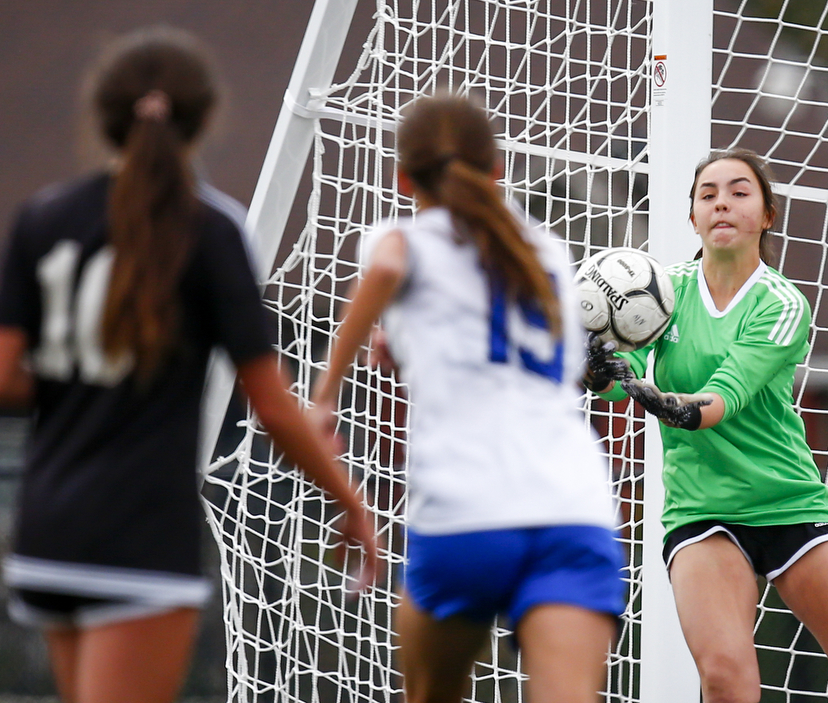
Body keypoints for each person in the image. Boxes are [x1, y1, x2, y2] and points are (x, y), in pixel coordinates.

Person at [0, 28, 377, 703]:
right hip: (142, 535)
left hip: (47, 532)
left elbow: (6, 378)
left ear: (103, 116)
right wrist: (349, 498)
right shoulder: (211, 231)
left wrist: (81, 376)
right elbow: (271, 404)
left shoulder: (41, 220)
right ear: (205, 118)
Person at [308, 93, 624, 703]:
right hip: (572, 507)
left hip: (465, 511)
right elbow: (498, 345)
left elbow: (391, 268)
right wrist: (404, 338)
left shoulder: (402, 236)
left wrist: (326, 397)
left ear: (404, 179)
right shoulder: (548, 255)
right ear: (499, 169)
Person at [585, 148, 828, 703]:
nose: (722, 202)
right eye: (708, 194)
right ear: (692, 216)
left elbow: (721, 399)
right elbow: (615, 382)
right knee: (725, 678)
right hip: (702, 512)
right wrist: (595, 369)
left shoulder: (782, 302)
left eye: (739, 192)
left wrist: (661, 399)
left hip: (787, 504)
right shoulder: (657, 293)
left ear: (767, 215)